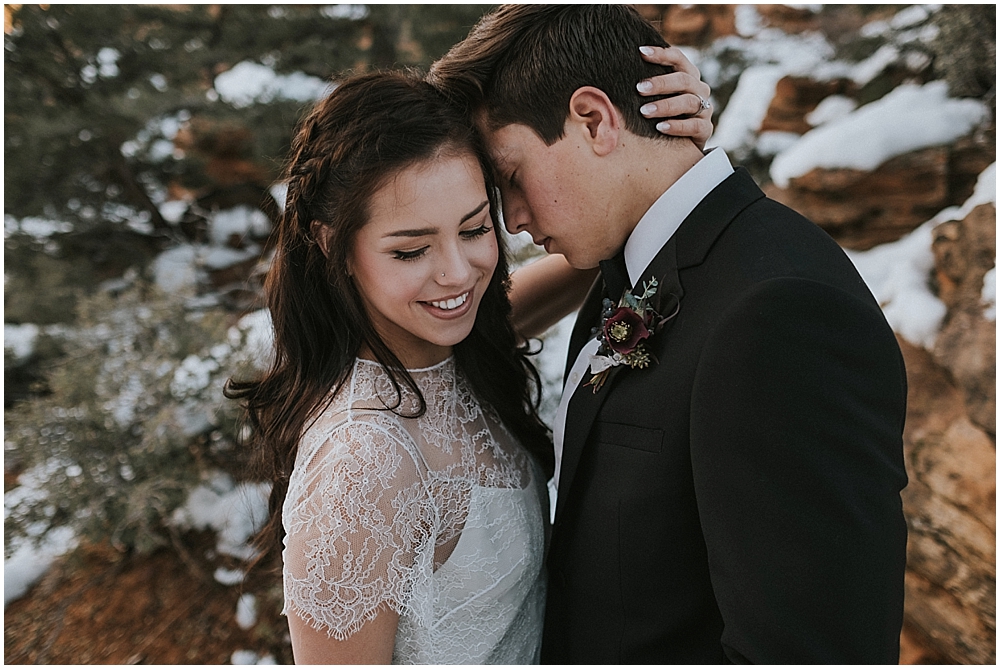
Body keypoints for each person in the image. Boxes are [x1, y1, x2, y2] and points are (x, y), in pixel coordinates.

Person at [429, 4, 909, 664]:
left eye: (512, 178)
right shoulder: (635, 255)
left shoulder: (781, 317)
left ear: (595, 120)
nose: (512, 220)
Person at [226, 60, 713, 663]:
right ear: (333, 244)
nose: (458, 274)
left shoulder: (452, 344)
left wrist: (664, 141)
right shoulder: (359, 466)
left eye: (475, 228)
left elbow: (592, 244)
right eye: (411, 249)